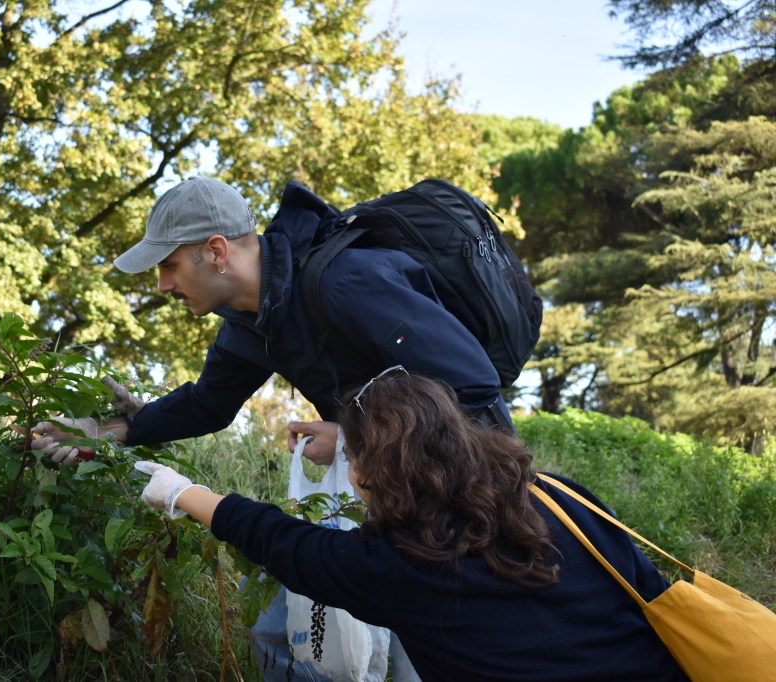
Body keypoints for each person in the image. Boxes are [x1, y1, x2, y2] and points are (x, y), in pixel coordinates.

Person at [31, 175, 513, 680]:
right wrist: (101, 433)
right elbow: (207, 405)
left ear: (216, 251)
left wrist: (358, 436)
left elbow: (471, 383)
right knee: (297, 626)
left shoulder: (343, 281)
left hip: (468, 488)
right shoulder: (250, 322)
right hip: (389, 485)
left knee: (435, 650)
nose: (162, 286)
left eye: (169, 265)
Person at [134, 371, 690, 682]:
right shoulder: (560, 496)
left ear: (372, 470)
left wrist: (182, 491)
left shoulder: (403, 565)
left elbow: (284, 542)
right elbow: (649, 592)